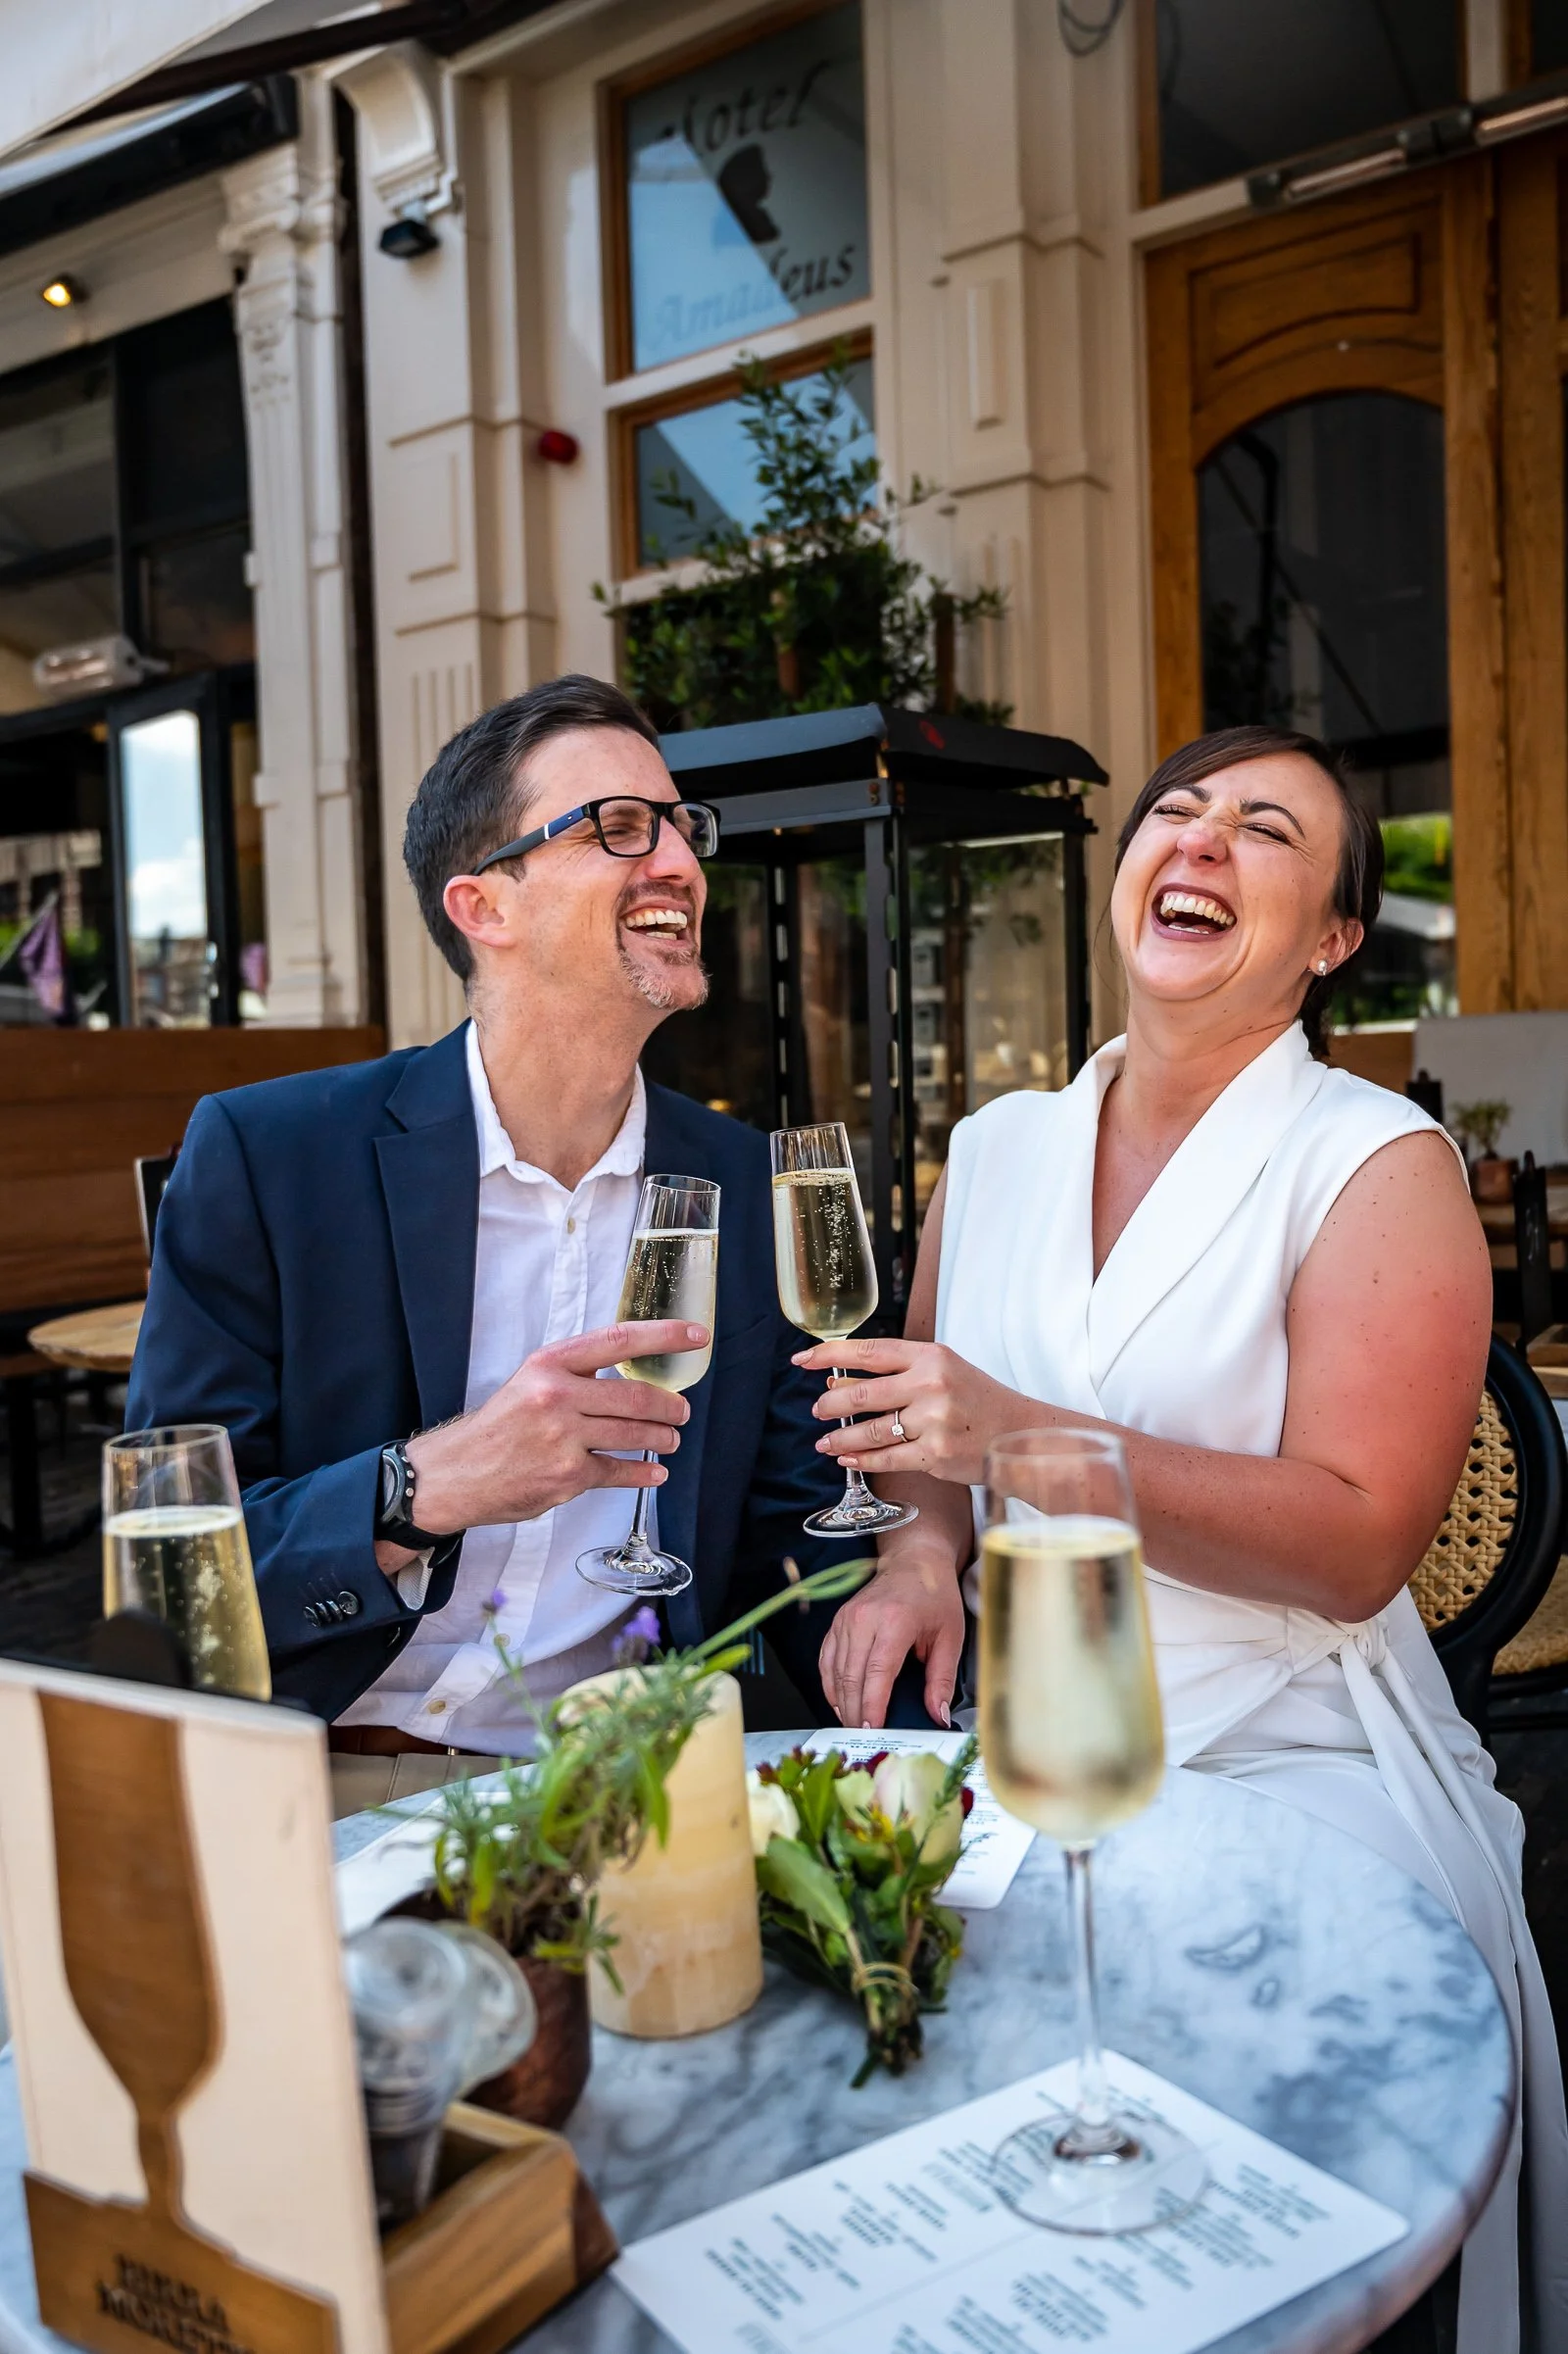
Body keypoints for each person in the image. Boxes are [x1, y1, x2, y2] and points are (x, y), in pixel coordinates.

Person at [798, 723, 1568, 2354]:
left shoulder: (1376, 1166)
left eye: (1266, 830)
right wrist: (919, 1553)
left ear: (1336, 936)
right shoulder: (994, 1151)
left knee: (1195, 2208)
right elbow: (931, 1436)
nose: (1203, 842)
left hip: (1295, 1752)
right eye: (1178, 813)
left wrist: (1027, 1440)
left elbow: (1359, 1544)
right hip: (1041, 1730)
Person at [127, 673, 896, 1818]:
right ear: (484, 905)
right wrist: (424, 1485)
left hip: (629, 1782)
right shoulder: (271, 1153)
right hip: (324, 1778)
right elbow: (167, 1581)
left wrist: (914, 1623)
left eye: (682, 827)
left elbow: (797, 1530)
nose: (679, 860)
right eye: (619, 829)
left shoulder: (746, 1179)